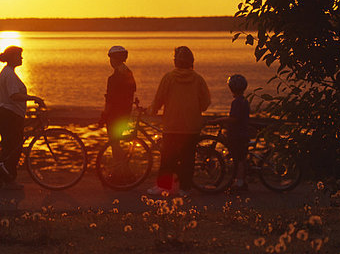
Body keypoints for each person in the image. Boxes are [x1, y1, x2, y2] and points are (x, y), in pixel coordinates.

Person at [147, 46, 211, 196]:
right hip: (191, 126)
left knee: (168, 158)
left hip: (172, 125)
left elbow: (159, 99)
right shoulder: (198, 79)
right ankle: (184, 188)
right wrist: (196, 108)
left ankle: (163, 186)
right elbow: (206, 103)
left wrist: (152, 110)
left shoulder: (168, 78)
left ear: (175, 61)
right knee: (188, 158)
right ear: (191, 62)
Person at [0, 45, 45, 190]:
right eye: (19, 56)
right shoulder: (9, 74)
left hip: (9, 113)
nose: (22, 58)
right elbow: (14, 96)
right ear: (12, 58)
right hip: (9, 114)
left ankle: (2, 178)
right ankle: (9, 179)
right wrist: (34, 98)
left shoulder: (8, 72)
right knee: (14, 148)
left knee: (9, 147)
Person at [99, 45, 137, 183]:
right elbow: (132, 91)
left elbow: (110, 99)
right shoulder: (129, 73)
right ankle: (123, 173)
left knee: (115, 145)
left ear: (114, 59)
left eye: (111, 58)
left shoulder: (113, 78)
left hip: (114, 115)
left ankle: (121, 174)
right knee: (117, 143)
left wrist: (104, 116)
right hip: (125, 114)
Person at [213, 74, 250, 192]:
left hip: (238, 134)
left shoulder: (237, 102)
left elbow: (234, 119)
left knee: (238, 158)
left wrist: (219, 120)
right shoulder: (244, 101)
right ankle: (241, 181)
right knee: (241, 158)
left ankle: (239, 183)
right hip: (243, 132)